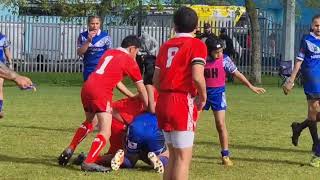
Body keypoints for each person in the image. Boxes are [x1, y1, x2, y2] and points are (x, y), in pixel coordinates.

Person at [58, 35, 148, 172]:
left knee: (90, 121)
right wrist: (148, 107)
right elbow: (142, 88)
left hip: (88, 86)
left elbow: (116, 80)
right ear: (132, 49)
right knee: (105, 130)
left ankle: (71, 148)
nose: (136, 55)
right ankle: (89, 161)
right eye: (137, 51)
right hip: (101, 92)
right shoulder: (129, 61)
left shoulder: (109, 53)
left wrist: (130, 96)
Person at [153, 6, 207, 180]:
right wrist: (203, 96)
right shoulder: (197, 45)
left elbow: (155, 80)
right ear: (196, 26)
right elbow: (198, 77)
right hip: (182, 101)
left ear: (174, 26)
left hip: (163, 100)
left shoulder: (165, 46)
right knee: (183, 159)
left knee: (173, 156)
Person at [204, 37, 266, 166]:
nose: (219, 54)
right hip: (202, 93)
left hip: (218, 94)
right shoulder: (202, 60)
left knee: (220, 124)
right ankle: (182, 151)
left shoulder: (225, 60)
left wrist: (251, 86)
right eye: (216, 52)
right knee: (191, 124)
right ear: (209, 51)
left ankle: (225, 155)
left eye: (221, 51)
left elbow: (237, 73)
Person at [283, 15, 320, 165]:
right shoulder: (306, 40)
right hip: (312, 77)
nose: (319, 28)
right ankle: (317, 148)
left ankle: (299, 128)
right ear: (312, 25)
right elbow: (299, 61)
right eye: (316, 25)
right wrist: (291, 80)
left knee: (314, 115)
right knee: (315, 110)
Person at [77, 16, 112, 81]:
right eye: (92, 23)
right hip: (88, 67)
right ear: (88, 24)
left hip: (101, 68)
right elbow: (79, 53)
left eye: (97, 23)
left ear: (100, 24)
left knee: (100, 88)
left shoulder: (105, 36)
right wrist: (88, 41)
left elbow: (109, 54)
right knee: (88, 88)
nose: (95, 26)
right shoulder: (82, 36)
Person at [0, 32, 13, 118]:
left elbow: (7, 51)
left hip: (1, 65)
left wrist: (10, 63)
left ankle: (0, 109)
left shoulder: (2, 37)